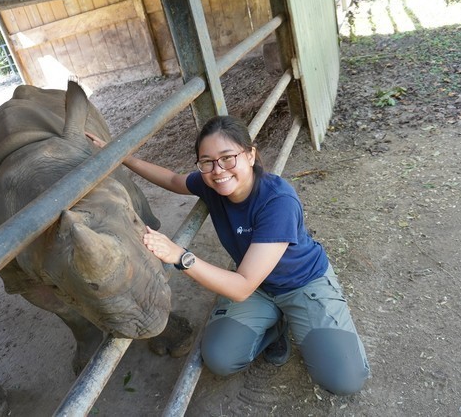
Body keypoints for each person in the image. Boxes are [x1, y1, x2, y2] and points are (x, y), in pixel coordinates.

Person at [86, 115, 370, 395]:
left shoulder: (277, 201)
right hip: (257, 287)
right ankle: (276, 325)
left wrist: (181, 256)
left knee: (344, 381)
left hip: (301, 284)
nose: (218, 169)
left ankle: (298, 318)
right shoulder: (212, 184)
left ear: (250, 155)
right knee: (220, 359)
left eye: (227, 157)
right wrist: (120, 156)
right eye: (206, 161)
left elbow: (242, 285)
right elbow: (173, 179)